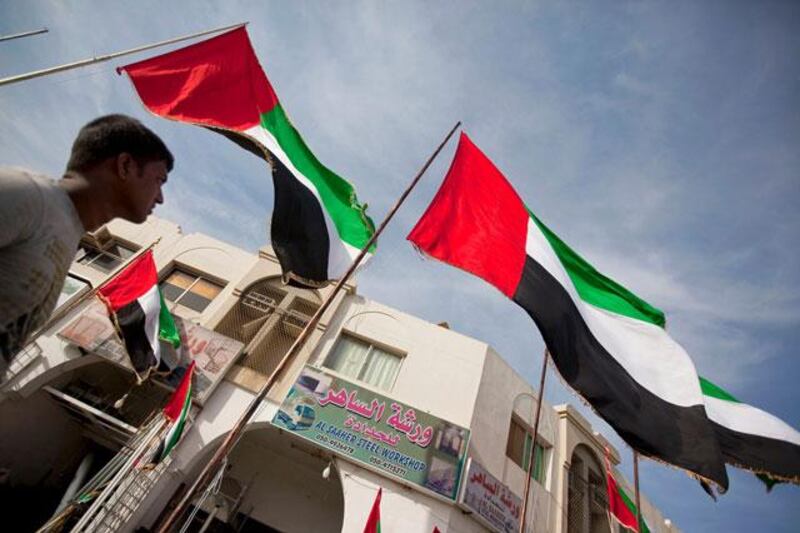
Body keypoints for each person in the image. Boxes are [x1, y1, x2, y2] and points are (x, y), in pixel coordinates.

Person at [0, 114, 173, 372]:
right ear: (124, 165)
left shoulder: (67, 232)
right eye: (158, 180)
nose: (160, 198)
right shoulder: (28, 197)